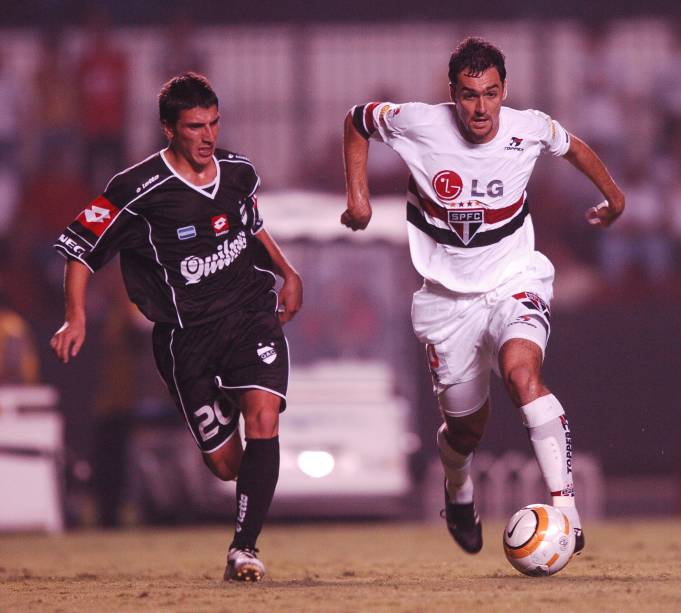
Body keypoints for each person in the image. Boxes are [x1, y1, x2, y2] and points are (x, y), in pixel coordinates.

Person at [341, 37, 624, 556]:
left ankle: (566, 510)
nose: (481, 107)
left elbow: (573, 146)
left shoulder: (528, 127)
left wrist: (614, 197)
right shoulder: (417, 122)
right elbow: (357, 120)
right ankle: (458, 490)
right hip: (447, 302)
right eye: (469, 95)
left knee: (522, 374)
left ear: (504, 91)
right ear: (453, 94)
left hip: (514, 279)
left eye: (491, 93)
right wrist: (358, 198)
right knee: (465, 430)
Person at [50, 73, 303, 582]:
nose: (208, 136)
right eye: (194, 127)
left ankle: (244, 550)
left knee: (265, 417)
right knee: (226, 466)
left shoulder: (238, 171)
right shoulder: (135, 190)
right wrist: (75, 316)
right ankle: (227, 398)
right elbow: (78, 249)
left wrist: (287, 271)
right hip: (185, 337)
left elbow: (250, 226)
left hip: (248, 311)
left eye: (213, 123)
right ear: (169, 129)